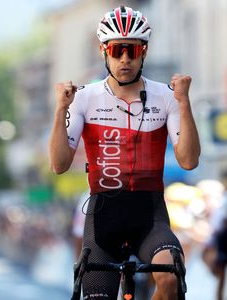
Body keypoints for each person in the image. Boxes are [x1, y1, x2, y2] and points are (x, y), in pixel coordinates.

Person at [49, 6, 200, 299]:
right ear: (105, 52)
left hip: (150, 217)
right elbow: (58, 165)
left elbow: (189, 160)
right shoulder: (83, 98)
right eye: (118, 50)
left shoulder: (167, 97)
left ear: (144, 52)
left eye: (133, 50)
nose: (125, 59)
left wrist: (184, 103)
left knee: (170, 278)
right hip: (103, 220)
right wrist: (60, 111)